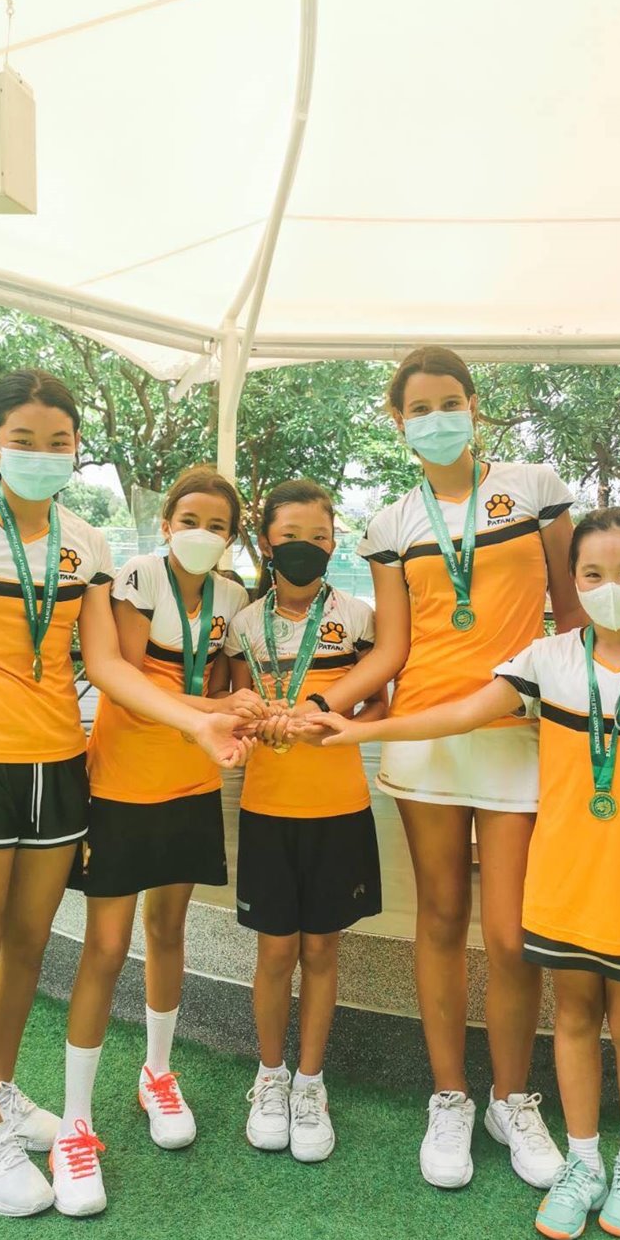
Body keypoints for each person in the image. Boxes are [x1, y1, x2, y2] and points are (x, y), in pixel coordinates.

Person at [307, 507, 620, 1240]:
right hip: (563, 876)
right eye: (593, 574)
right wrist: (362, 730)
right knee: (572, 1019)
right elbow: (459, 715)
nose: (610, 588)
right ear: (570, 580)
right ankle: (583, 1161)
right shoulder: (547, 660)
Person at [0, 372, 252, 1220]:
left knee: (28, 945)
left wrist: (199, 719)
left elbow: (106, 665)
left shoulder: (85, 543)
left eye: (58, 442)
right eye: (24, 439)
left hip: (60, 763)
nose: (42, 454)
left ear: (75, 450)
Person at [305, 346, 585, 1190]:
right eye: (419, 408)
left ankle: (512, 1098)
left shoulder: (534, 488)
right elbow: (391, 647)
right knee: (439, 917)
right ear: (399, 422)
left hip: (518, 732)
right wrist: (321, 706)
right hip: (424, 736)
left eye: (449, 401)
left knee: (509, 933)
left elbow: (571, 612)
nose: (436, 418)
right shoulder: (391, 524)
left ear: (474, 404)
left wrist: (582, 717)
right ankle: (451, 1096)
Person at [56, 465, 265, 1215]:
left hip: (192, 785)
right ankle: (75, 1122)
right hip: (121, 784)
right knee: (106, 948)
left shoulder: (234, 597)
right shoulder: (138, 577)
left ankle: (157, 1074)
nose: (203, 534)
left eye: (218, 525)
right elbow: (129, 681)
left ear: (232, 536)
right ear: (167, 522)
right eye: (190, 520)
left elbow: (228, 686)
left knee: (169, 929)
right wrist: (214, 708)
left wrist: (248, 705)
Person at [224, 480, 387, 1164]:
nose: (305, 547)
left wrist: (337, 724)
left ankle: (310, 1084)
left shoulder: (359, 617)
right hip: (267, 809)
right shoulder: (243, 625)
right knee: (274, 953)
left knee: (322, 951)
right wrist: (248, 719)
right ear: (267, 542)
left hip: (340, 808)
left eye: (319, 536)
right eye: (290, 536)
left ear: (334, 541)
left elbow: (379, 707)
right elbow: (233, 704)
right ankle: (270, 1077)